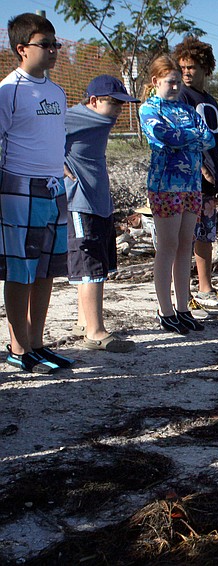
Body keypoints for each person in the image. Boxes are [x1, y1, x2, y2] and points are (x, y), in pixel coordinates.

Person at [0, 13, 74, 374]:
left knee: (46, 270)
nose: (53, 50)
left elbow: (55, 142)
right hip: (18, 189)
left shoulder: (57, 91)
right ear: (21, 49)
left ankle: (38, 343)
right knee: (21, 270)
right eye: (45, 45)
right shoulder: (8, 91)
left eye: (55, 44)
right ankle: (18, 347)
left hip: (52, 188)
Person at [139, 55, 214, 335]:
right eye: (169, 82)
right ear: (156, 81)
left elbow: (208, 138)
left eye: (177, 82)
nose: (175, 87)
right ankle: (164, 310)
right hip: (165, 186)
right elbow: (160, 137)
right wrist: (188, 135)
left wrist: (184, 134)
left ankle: (183, 307)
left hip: (192, 185)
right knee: (168, 245)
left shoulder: (187, 110)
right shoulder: (149, 108)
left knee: (186, 245)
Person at [64, 75, 139, 353]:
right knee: (90, 265)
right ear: (94, 101)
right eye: (114, 103)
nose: (119, 110)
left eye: (123, 104)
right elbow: (39, 134)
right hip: (81, 203)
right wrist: (59, 168)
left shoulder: (101, 121)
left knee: (101, 265)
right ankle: (95, 333)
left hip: (100, 203)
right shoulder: (73, 116)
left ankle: (86, 321)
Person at [174, 37, 218, 311]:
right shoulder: (180, 97)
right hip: (187, 180)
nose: (187, 72)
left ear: (205, 69)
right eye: (183, 67)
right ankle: (182, 293)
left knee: (206, 234)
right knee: (184, 235)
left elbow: (213, 142)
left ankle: (205, 288)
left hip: (210, 181)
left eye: (192, 68)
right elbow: (185, 138)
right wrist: (201, 169)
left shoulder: (210, 101)